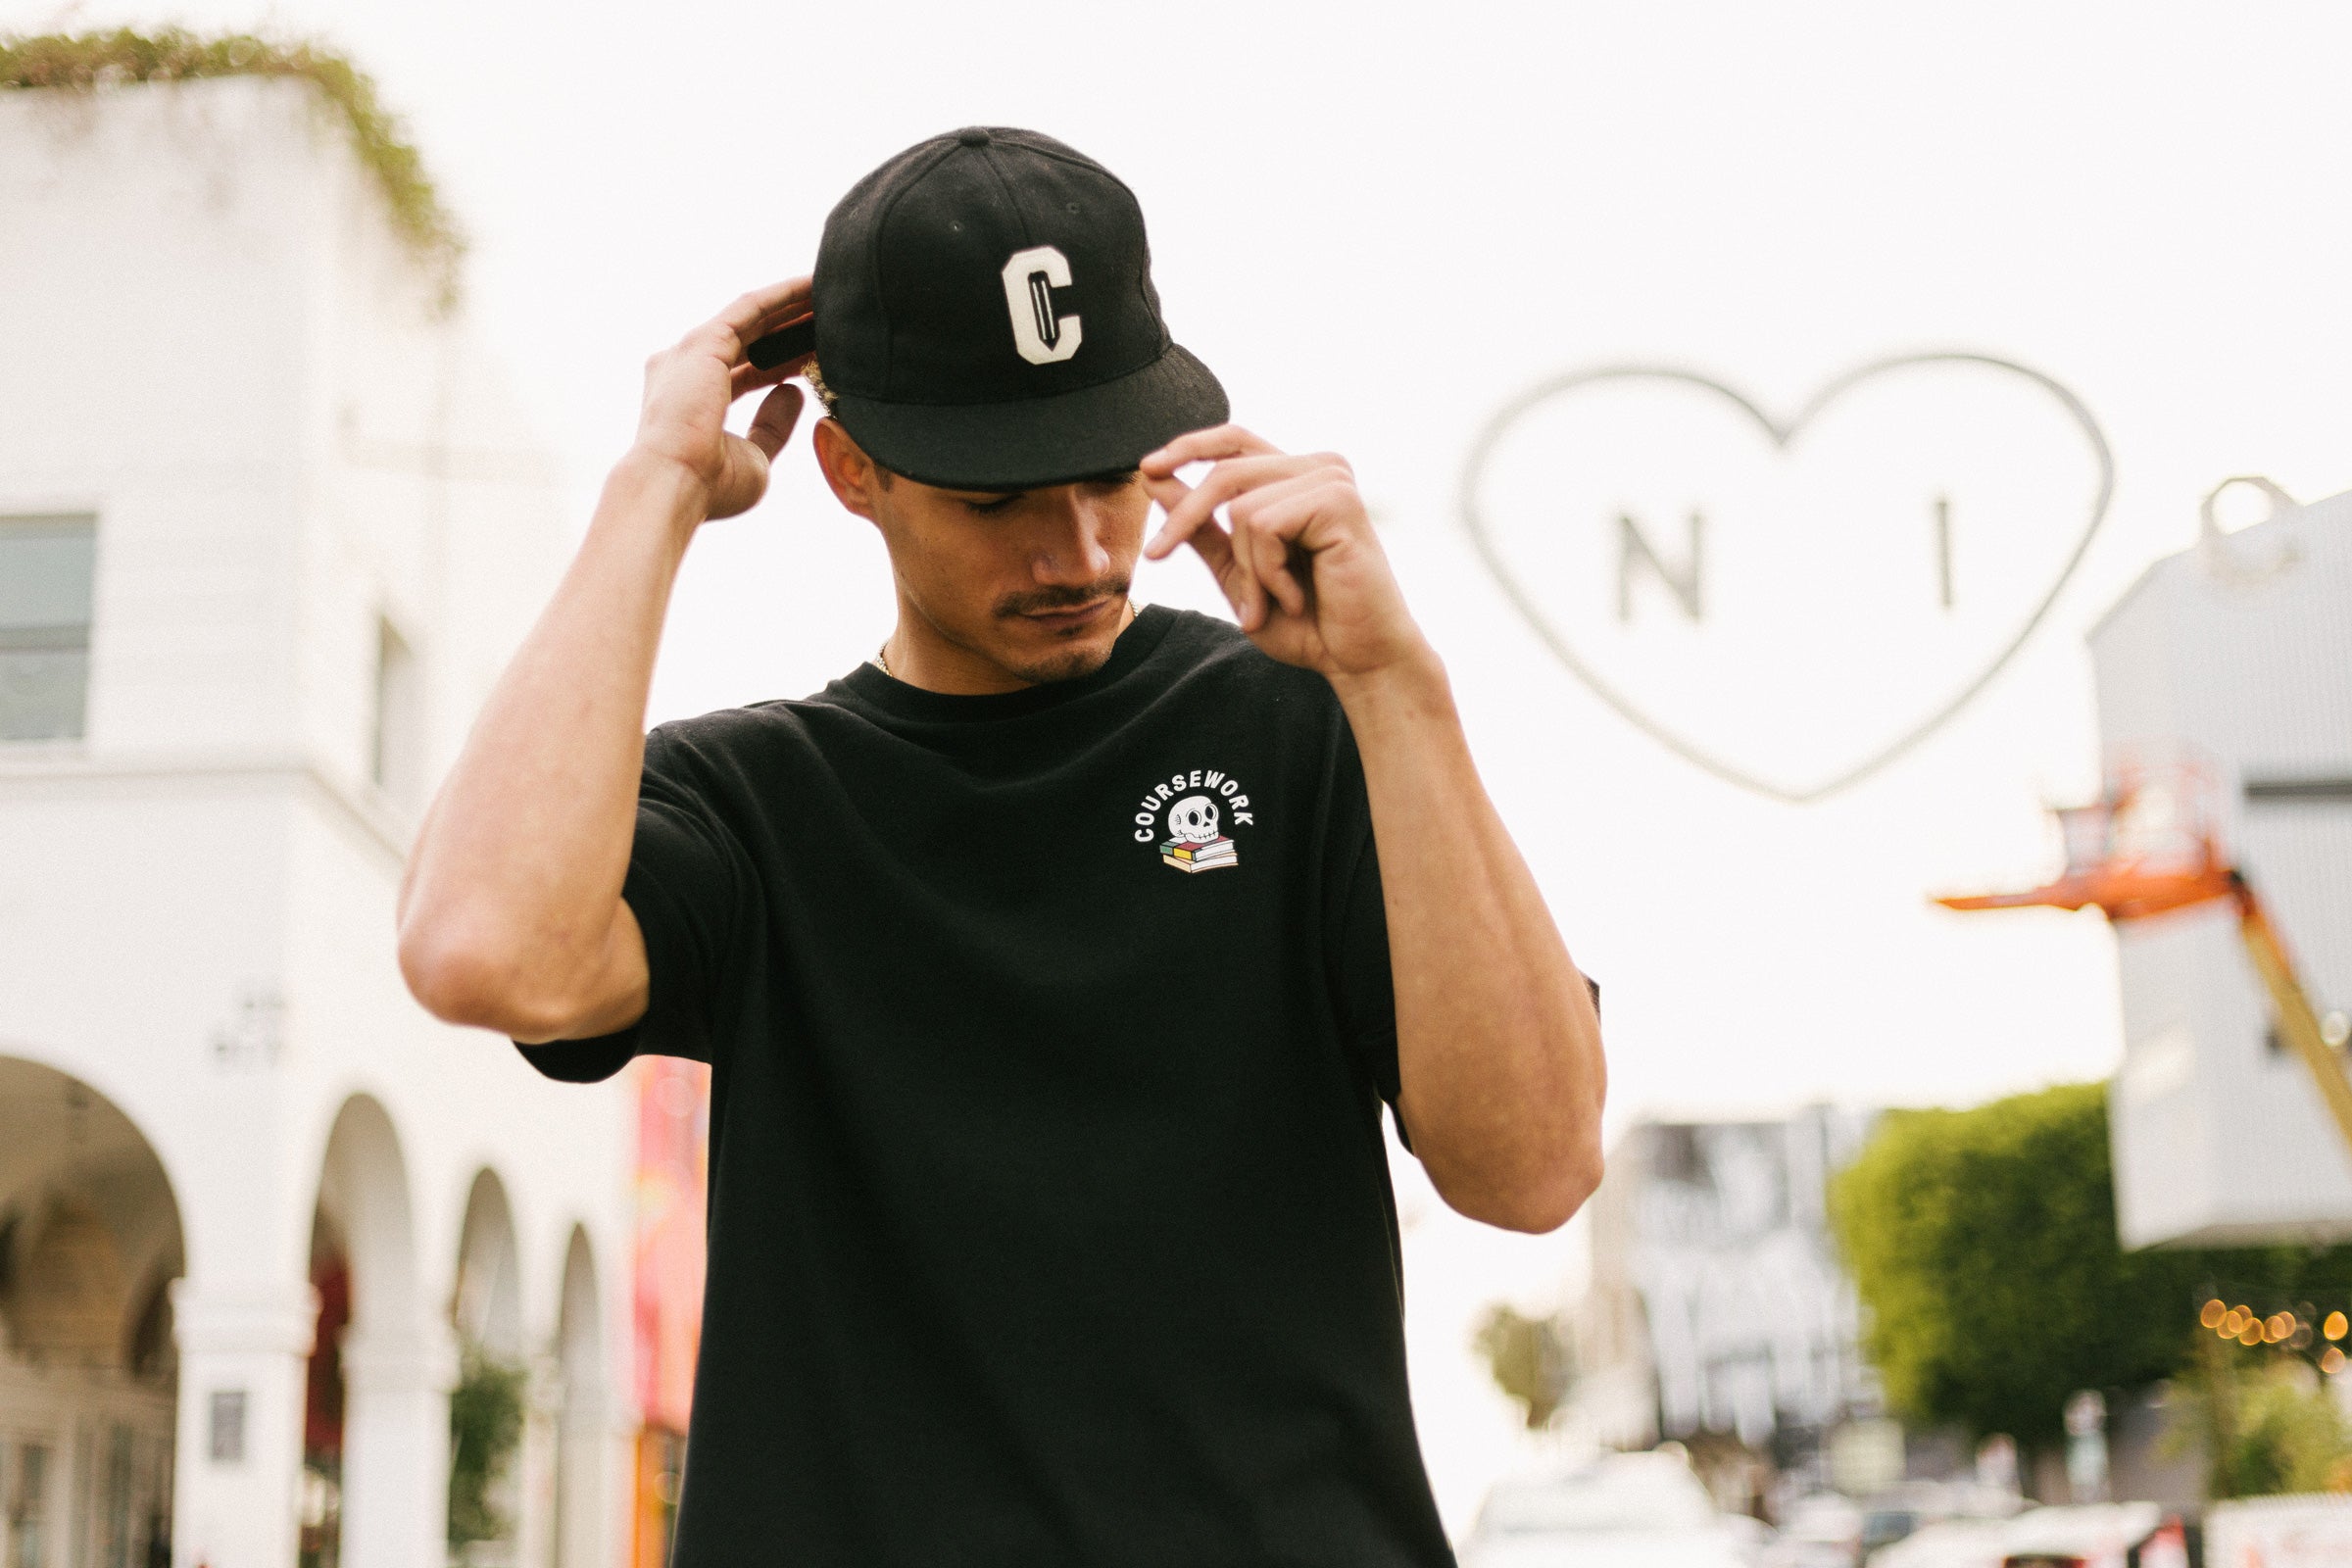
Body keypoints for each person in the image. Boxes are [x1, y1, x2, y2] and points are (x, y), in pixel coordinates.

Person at [398, 126, 1604, 1566]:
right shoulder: (757, 808)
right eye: (999, 497)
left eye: (1106, 474)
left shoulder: (1308, 727)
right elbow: (482, 948)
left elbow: (1533, 1174)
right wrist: (655, 485)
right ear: (851, 471)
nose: (1082, 549)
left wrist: (1399, 688)